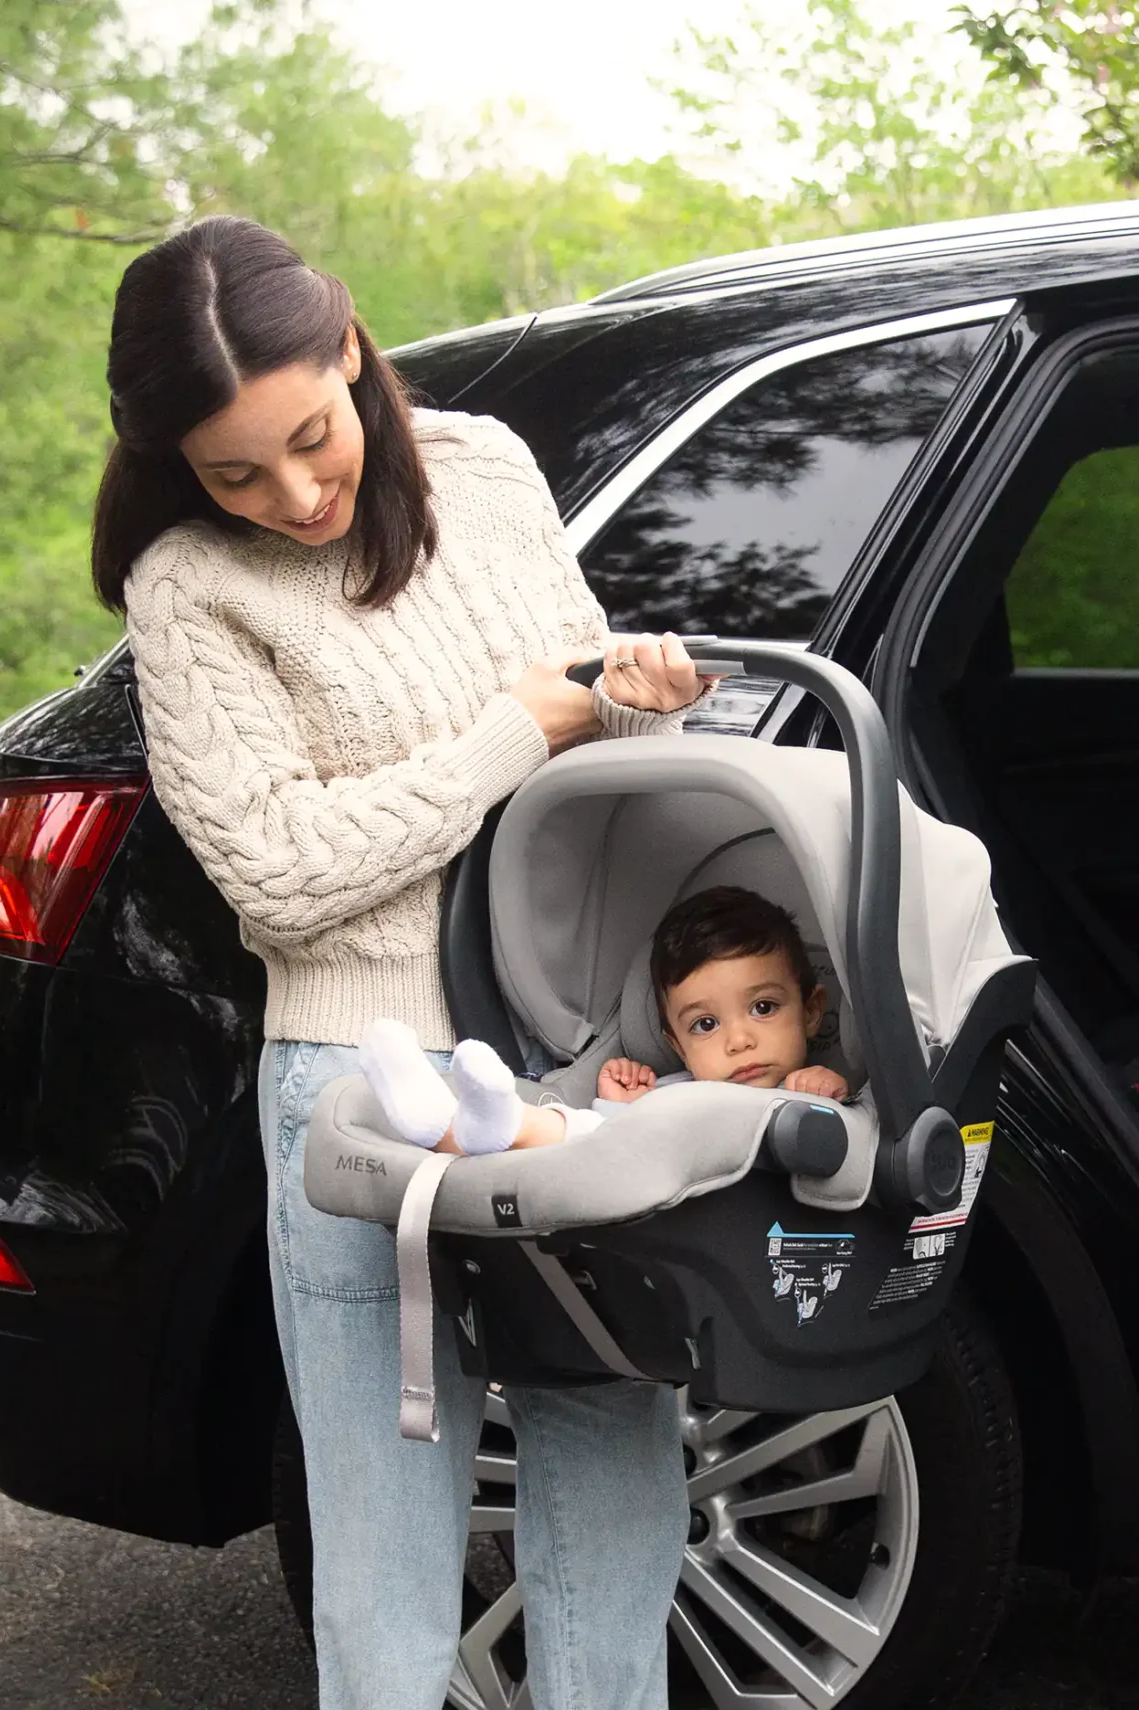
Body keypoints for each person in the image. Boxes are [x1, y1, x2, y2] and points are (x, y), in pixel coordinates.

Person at [93, 215, 709, 1710]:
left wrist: (644, 699)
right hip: (365, 1095)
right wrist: (517, 727)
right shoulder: (188, 587)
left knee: (618, 1503)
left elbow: (589, 753)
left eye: (312, 437)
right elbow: (279, 876)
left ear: (354, 353)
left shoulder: (487, 466)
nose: (294, 495)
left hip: (568, 1071)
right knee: (380, 1570)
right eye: (235, 471)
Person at [357, 886, 853, 1154]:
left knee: (589, 1138)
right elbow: (611, 1140)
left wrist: (828, 1097)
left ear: (811, 1011)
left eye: (763, 1008)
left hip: (702, 1184)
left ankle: (499, 1124)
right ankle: (445, 1125)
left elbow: (850, 1144)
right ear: (677, 1045)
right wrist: (621, 1106)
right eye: (705, 1025)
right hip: (628, 1153)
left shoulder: (809, 1092)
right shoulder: (670, 1090)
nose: (739, 1041)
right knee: (589, 1128)